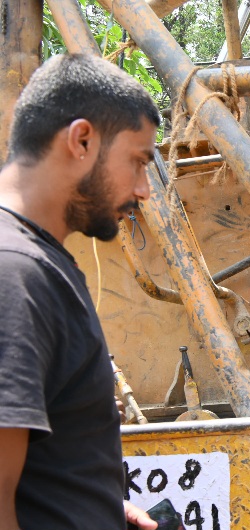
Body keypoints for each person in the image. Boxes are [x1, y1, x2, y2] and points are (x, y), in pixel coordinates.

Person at [0, 53, 161, 530]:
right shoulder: (15, 273)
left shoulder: (36, 261)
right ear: (82, 139)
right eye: (137, 161)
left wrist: (86, 503)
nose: (144, 188)